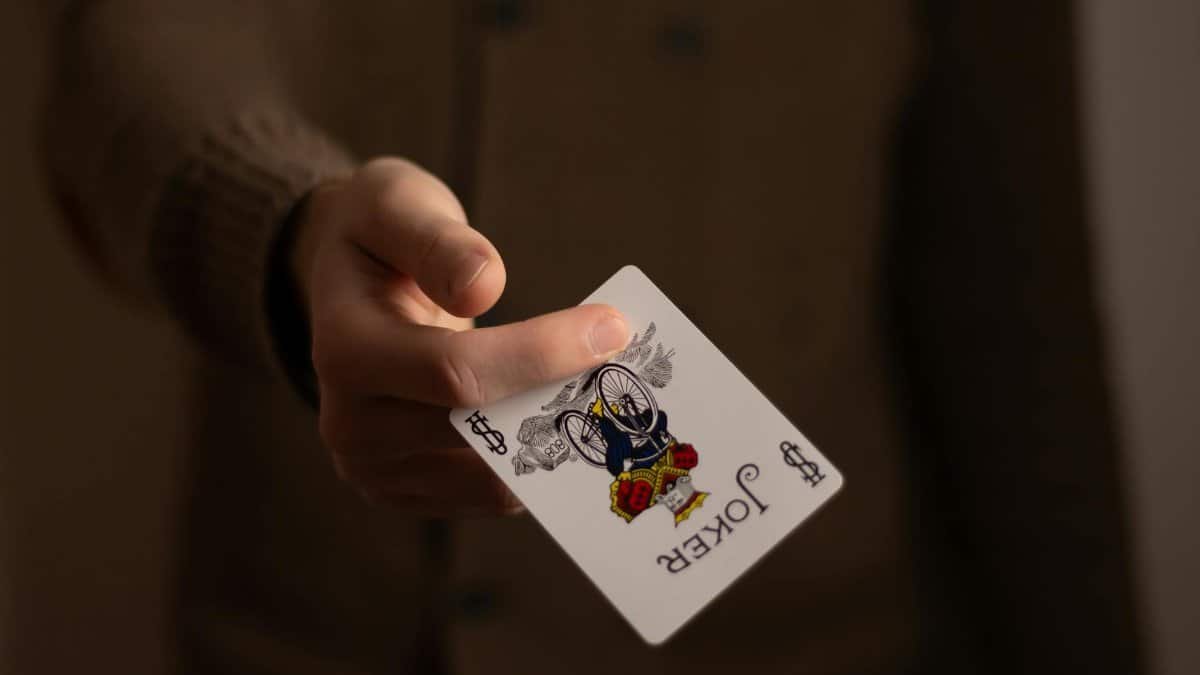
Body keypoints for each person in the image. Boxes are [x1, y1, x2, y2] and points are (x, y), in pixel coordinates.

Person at [40, 1, 1144, 673]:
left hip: (799, 637)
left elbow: (1014, 303)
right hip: (321, 631)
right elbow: (134, 51)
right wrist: (289, 226)